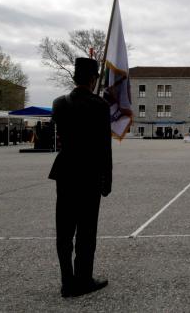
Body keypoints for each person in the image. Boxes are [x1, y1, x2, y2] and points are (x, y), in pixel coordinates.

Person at [49, 58, 112, 298]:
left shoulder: (59, 103)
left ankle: (67, 282)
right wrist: (108, 179)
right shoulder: (100, 106)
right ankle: (83, 279)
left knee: (64, 230)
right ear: (93, 79)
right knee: (86, 231)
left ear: (75, 77)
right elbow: (104, 147)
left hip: (66, 171)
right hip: (89, 173)